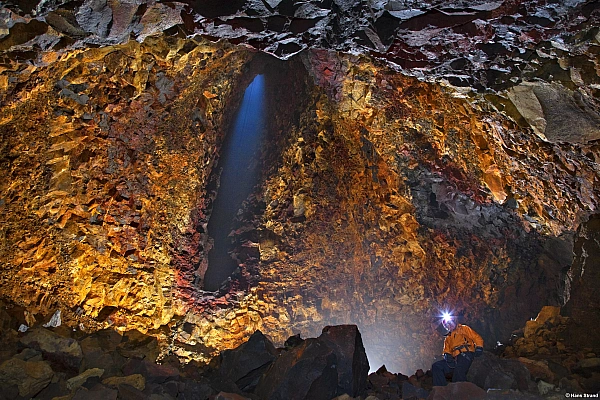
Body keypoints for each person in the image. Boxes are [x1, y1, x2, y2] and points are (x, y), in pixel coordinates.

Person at [432, 315, 484, 386]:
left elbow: (477, 338)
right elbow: (446, 350)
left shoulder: (463, 328)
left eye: (450, 323)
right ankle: (441, 388)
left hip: (465, 354)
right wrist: (447, 355)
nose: (449, 326)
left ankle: (463, 391)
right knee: (436, 366)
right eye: (447, 325)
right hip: (454, 359)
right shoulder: (448, 338)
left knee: (458, 373)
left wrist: (479, 347)